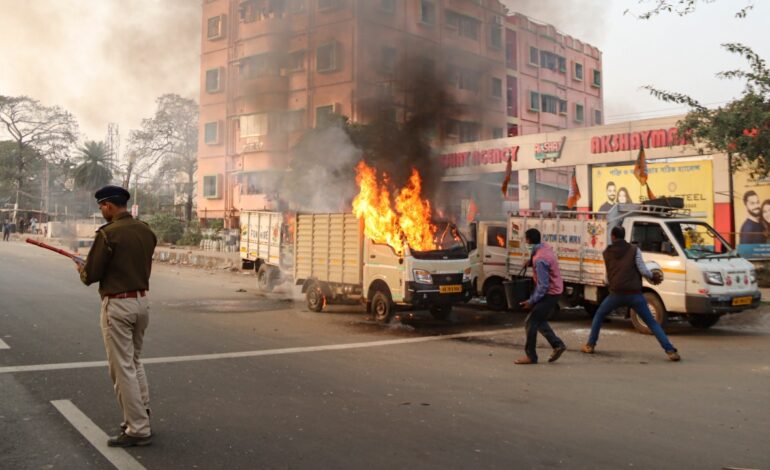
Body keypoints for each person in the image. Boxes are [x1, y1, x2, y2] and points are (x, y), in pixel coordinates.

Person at [77, 185, 157, 447]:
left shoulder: (108, 234)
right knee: (134, 362)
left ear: (109, 206)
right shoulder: (146, 230)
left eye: (101, 207)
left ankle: (137, 428)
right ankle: (141, 413)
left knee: (121, 368)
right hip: (141, 302)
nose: (101, 211)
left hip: (119, 306)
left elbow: (92, 275)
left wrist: (82, 269)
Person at [581, 226, 680, 361]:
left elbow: (607, 277)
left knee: (599, 315)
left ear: (613, 237)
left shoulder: (607, 252)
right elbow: (643, 270)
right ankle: (670, 351)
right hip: (634, 294)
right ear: (624, 235)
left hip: (616, 294)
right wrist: (653, 277)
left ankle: (590, 345)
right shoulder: (634, 250)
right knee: (652, 322)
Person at [515, 228, 567, 365]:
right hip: (555, 289)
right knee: (539, 321)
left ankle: (531, 356)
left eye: (525, 240)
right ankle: (558, 345)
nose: (525, 242)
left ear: (529, 240)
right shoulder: (544, 248)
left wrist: (531, 301)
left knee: (530, 322)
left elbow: (543, 286)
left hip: (550, 293)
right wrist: (530, 262)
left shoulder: (540, 259)